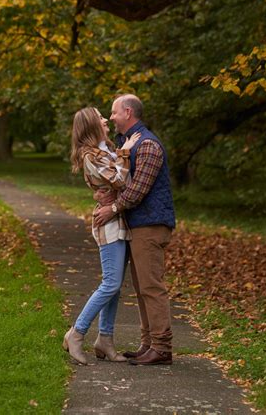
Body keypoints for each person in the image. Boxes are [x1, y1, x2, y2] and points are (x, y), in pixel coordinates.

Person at [94, 94, 175, 365]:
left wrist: (113, 208)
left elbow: (138, 190)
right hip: (139, 224)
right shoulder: (128, 143)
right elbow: (123, 181)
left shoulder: (148, 145)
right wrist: (108, 196)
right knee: (142, 288)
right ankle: (148, 344)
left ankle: (162, 348)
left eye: (114, 112)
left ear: (128, 112)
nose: (112, 117)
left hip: (150, 224)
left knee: (151, 286)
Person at [63, 106, 141, 365]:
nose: (106, 120)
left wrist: (119, 155)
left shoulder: (104, 150)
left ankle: (105, 340)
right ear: (90, 125)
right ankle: (77, 333)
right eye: (100, 118)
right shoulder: (90, 155)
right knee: (110, 283)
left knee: (115, 287)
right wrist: (126, 152)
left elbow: (117, 181)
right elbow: (120, 181)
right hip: (108, 224)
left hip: (118, 220)